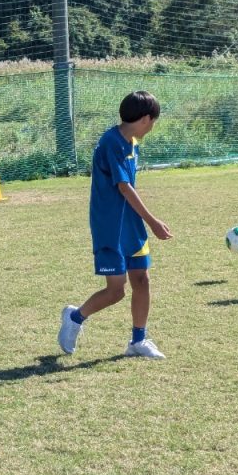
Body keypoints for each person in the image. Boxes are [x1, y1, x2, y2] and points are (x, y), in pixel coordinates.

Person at [57, 91, 173, 359]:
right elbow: (124, 187)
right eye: (153, 121)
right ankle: (75, 317)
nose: (152, 126)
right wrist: (153, 221)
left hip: (131, 224)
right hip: (110, 225)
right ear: (145, 119)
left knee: (142, 280)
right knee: (116, 290)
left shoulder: (132, 141)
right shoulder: (111, 142)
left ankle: (138, 340)